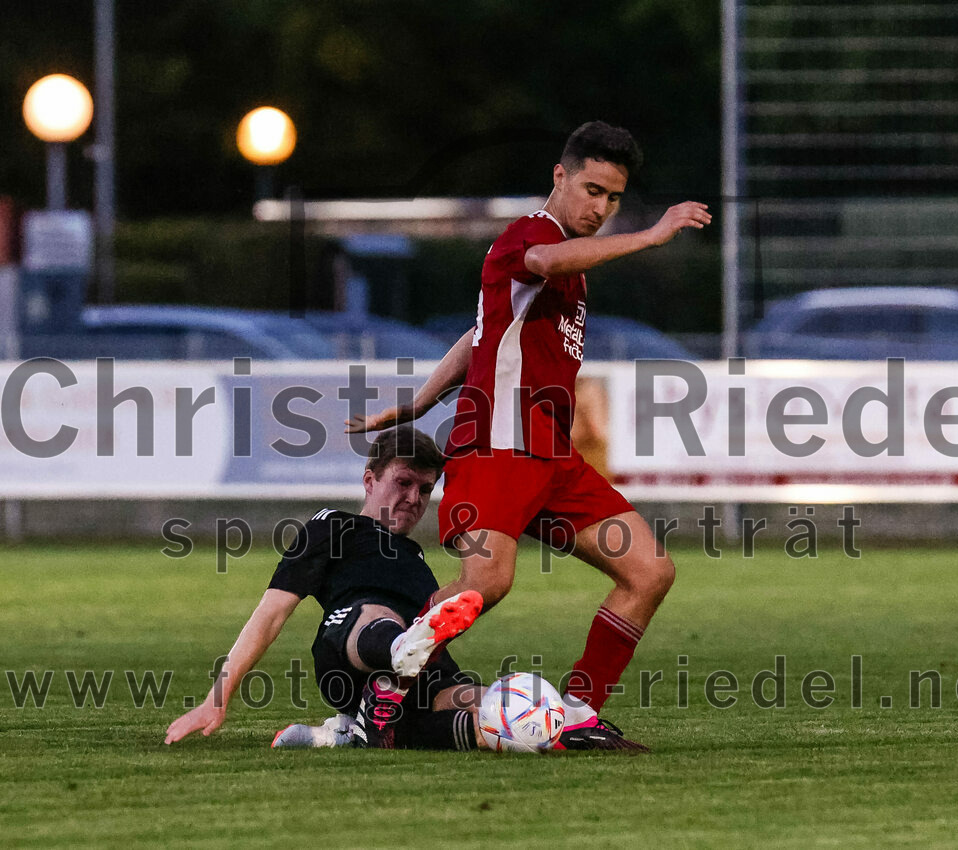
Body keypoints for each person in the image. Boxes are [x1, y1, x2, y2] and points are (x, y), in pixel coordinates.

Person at [346, 121, 711, 749]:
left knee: (649, 572)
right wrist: (649, 235)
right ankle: (381, 686)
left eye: (614, 199)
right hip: (498, 444)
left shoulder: (571, 264)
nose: (601, 209)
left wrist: (420, 402)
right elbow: (540, 264)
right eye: (592, 190)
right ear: (559, 176)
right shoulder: (533, 237)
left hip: (551, 457)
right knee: (487, 584)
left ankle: (575, 716)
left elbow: (481, 331)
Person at [163, 425, 486, 751]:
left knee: (507, 712)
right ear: (370, 481)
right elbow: (270, 614)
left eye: (425, 489)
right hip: (349, 656)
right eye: (403, 483)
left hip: (420, 682)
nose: (415, 498)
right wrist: (216, 699)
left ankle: (354, 732)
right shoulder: (333, 526)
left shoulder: (415, 557)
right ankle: (397, 652)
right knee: (376, 612)